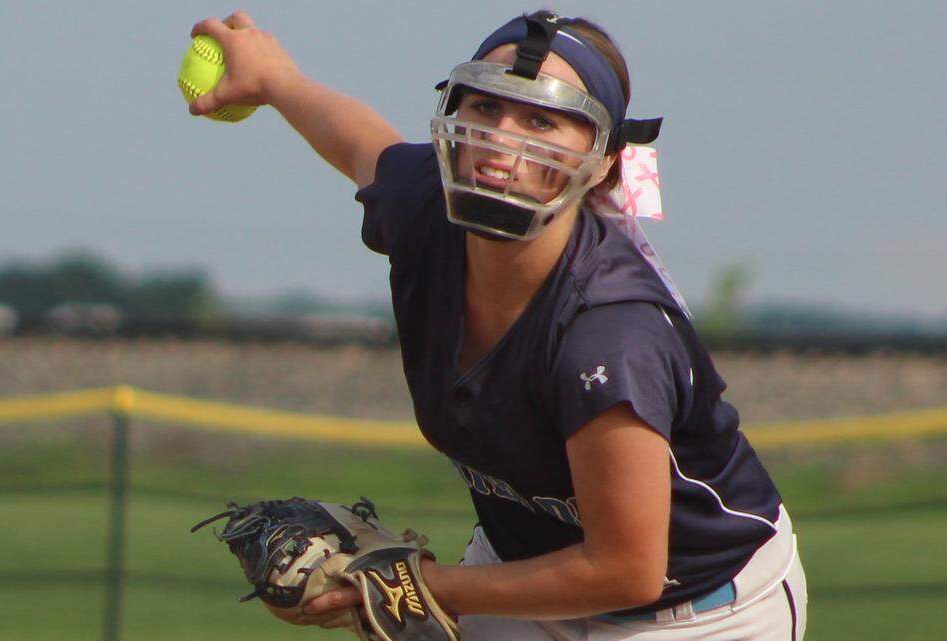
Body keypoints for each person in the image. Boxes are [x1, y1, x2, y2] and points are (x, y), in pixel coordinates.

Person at [189, 9, 807, 641]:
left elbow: (626, 569)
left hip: (698, 612)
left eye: (540, 118)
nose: (500, 138)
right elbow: (357, 141)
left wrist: (411, 584)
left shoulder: (609, 332)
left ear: (603, 163)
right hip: (525, 570)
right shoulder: (427, 212)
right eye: (485, 108)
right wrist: (276, 80)